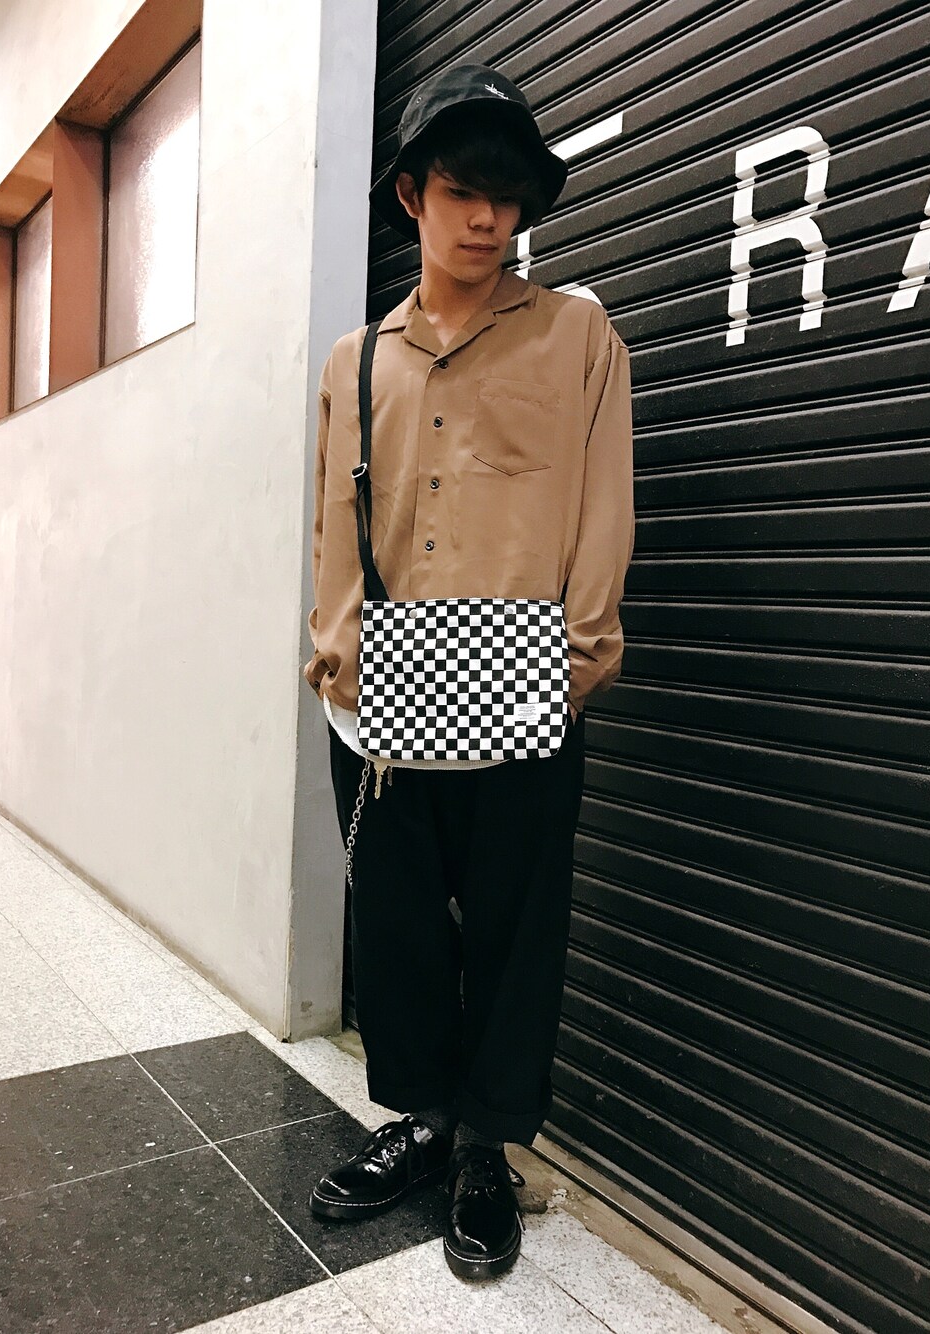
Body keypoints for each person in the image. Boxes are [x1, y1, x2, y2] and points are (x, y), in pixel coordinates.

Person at [302, 62, 634, 1281]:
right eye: (462, 191)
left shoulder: (576, 333)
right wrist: (331, 650)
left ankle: (488, 1146)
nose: (489, 218)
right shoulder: (355, 360)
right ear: (411, 195)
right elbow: (340, 518)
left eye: (507, 195)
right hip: (381, 695)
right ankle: (425, 1120)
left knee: (512, 927)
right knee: (394, 926)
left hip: (526, 686)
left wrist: (578, 657)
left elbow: (603, 503)